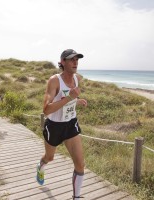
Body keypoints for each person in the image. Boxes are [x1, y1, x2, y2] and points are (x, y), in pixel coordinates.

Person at [36, 49, 88, 199]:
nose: (75, 62)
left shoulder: (77, 79)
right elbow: (46, 109)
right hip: (54, 126)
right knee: (50, 157)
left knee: (80, 164)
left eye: (77, 59)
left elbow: (69, 99)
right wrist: (70, 97)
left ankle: (76, 197)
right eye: (72, 59)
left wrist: (76, 101)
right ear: (63, 61)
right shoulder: (54, 80)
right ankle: (41, 166)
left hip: (71, 124)